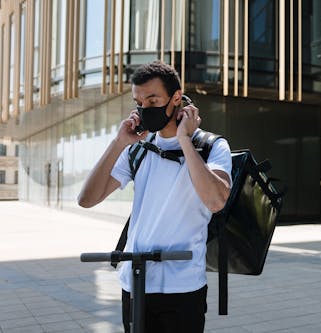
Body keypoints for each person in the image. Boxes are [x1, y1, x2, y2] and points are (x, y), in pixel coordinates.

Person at [78, 61, 232, 332]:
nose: (145, 108)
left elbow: (216, 201)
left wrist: (185, 139)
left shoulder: (212, 147)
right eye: (139, 102)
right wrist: (119, 143)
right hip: (134, 282)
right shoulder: (138, 149)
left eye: (153, 100)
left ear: (176, 98)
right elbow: (87, 199)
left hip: (183, 286)